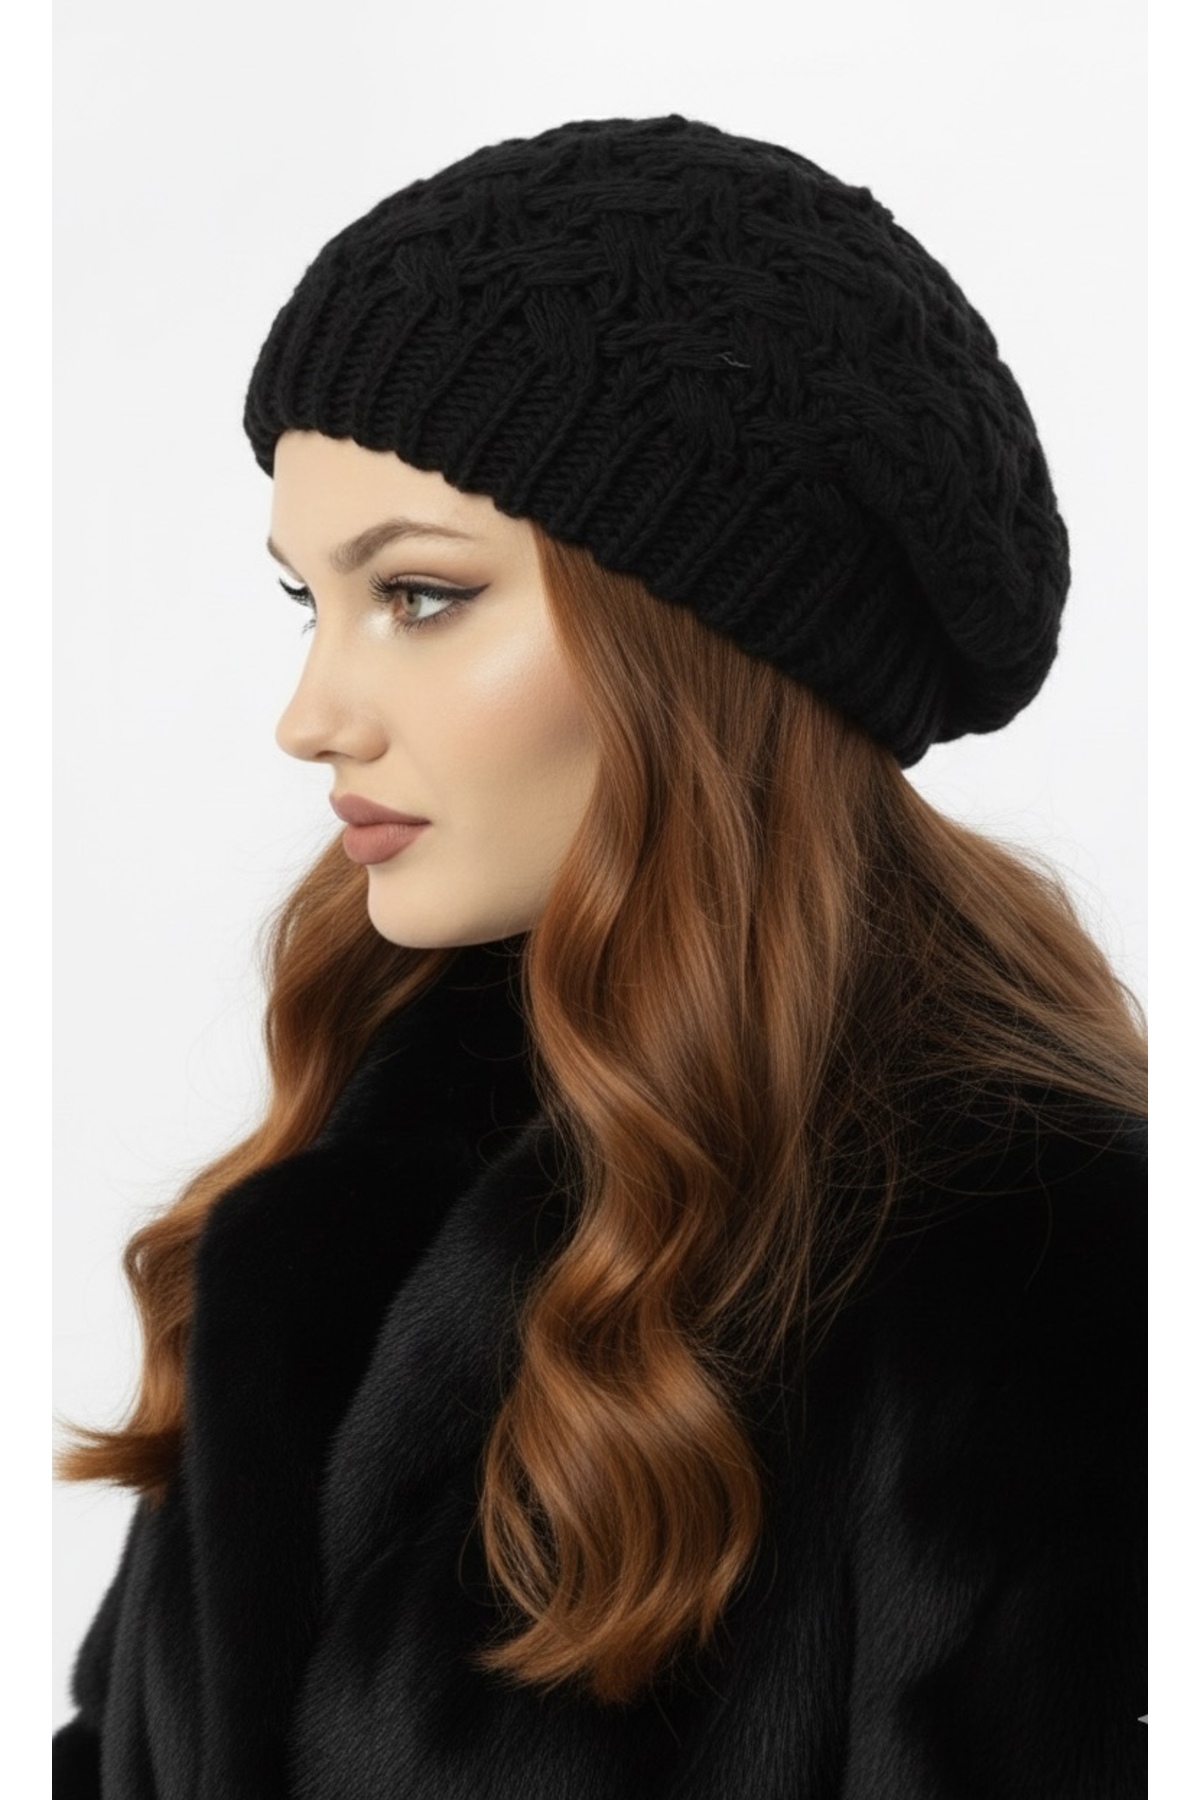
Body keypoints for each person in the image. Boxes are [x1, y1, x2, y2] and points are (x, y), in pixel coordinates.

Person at [53, 114, 1147, 1798]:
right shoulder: (349, 1185)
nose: (310, 715)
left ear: (703, 643)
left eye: (420, 596)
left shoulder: (1049, 1281)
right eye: (305, 602)